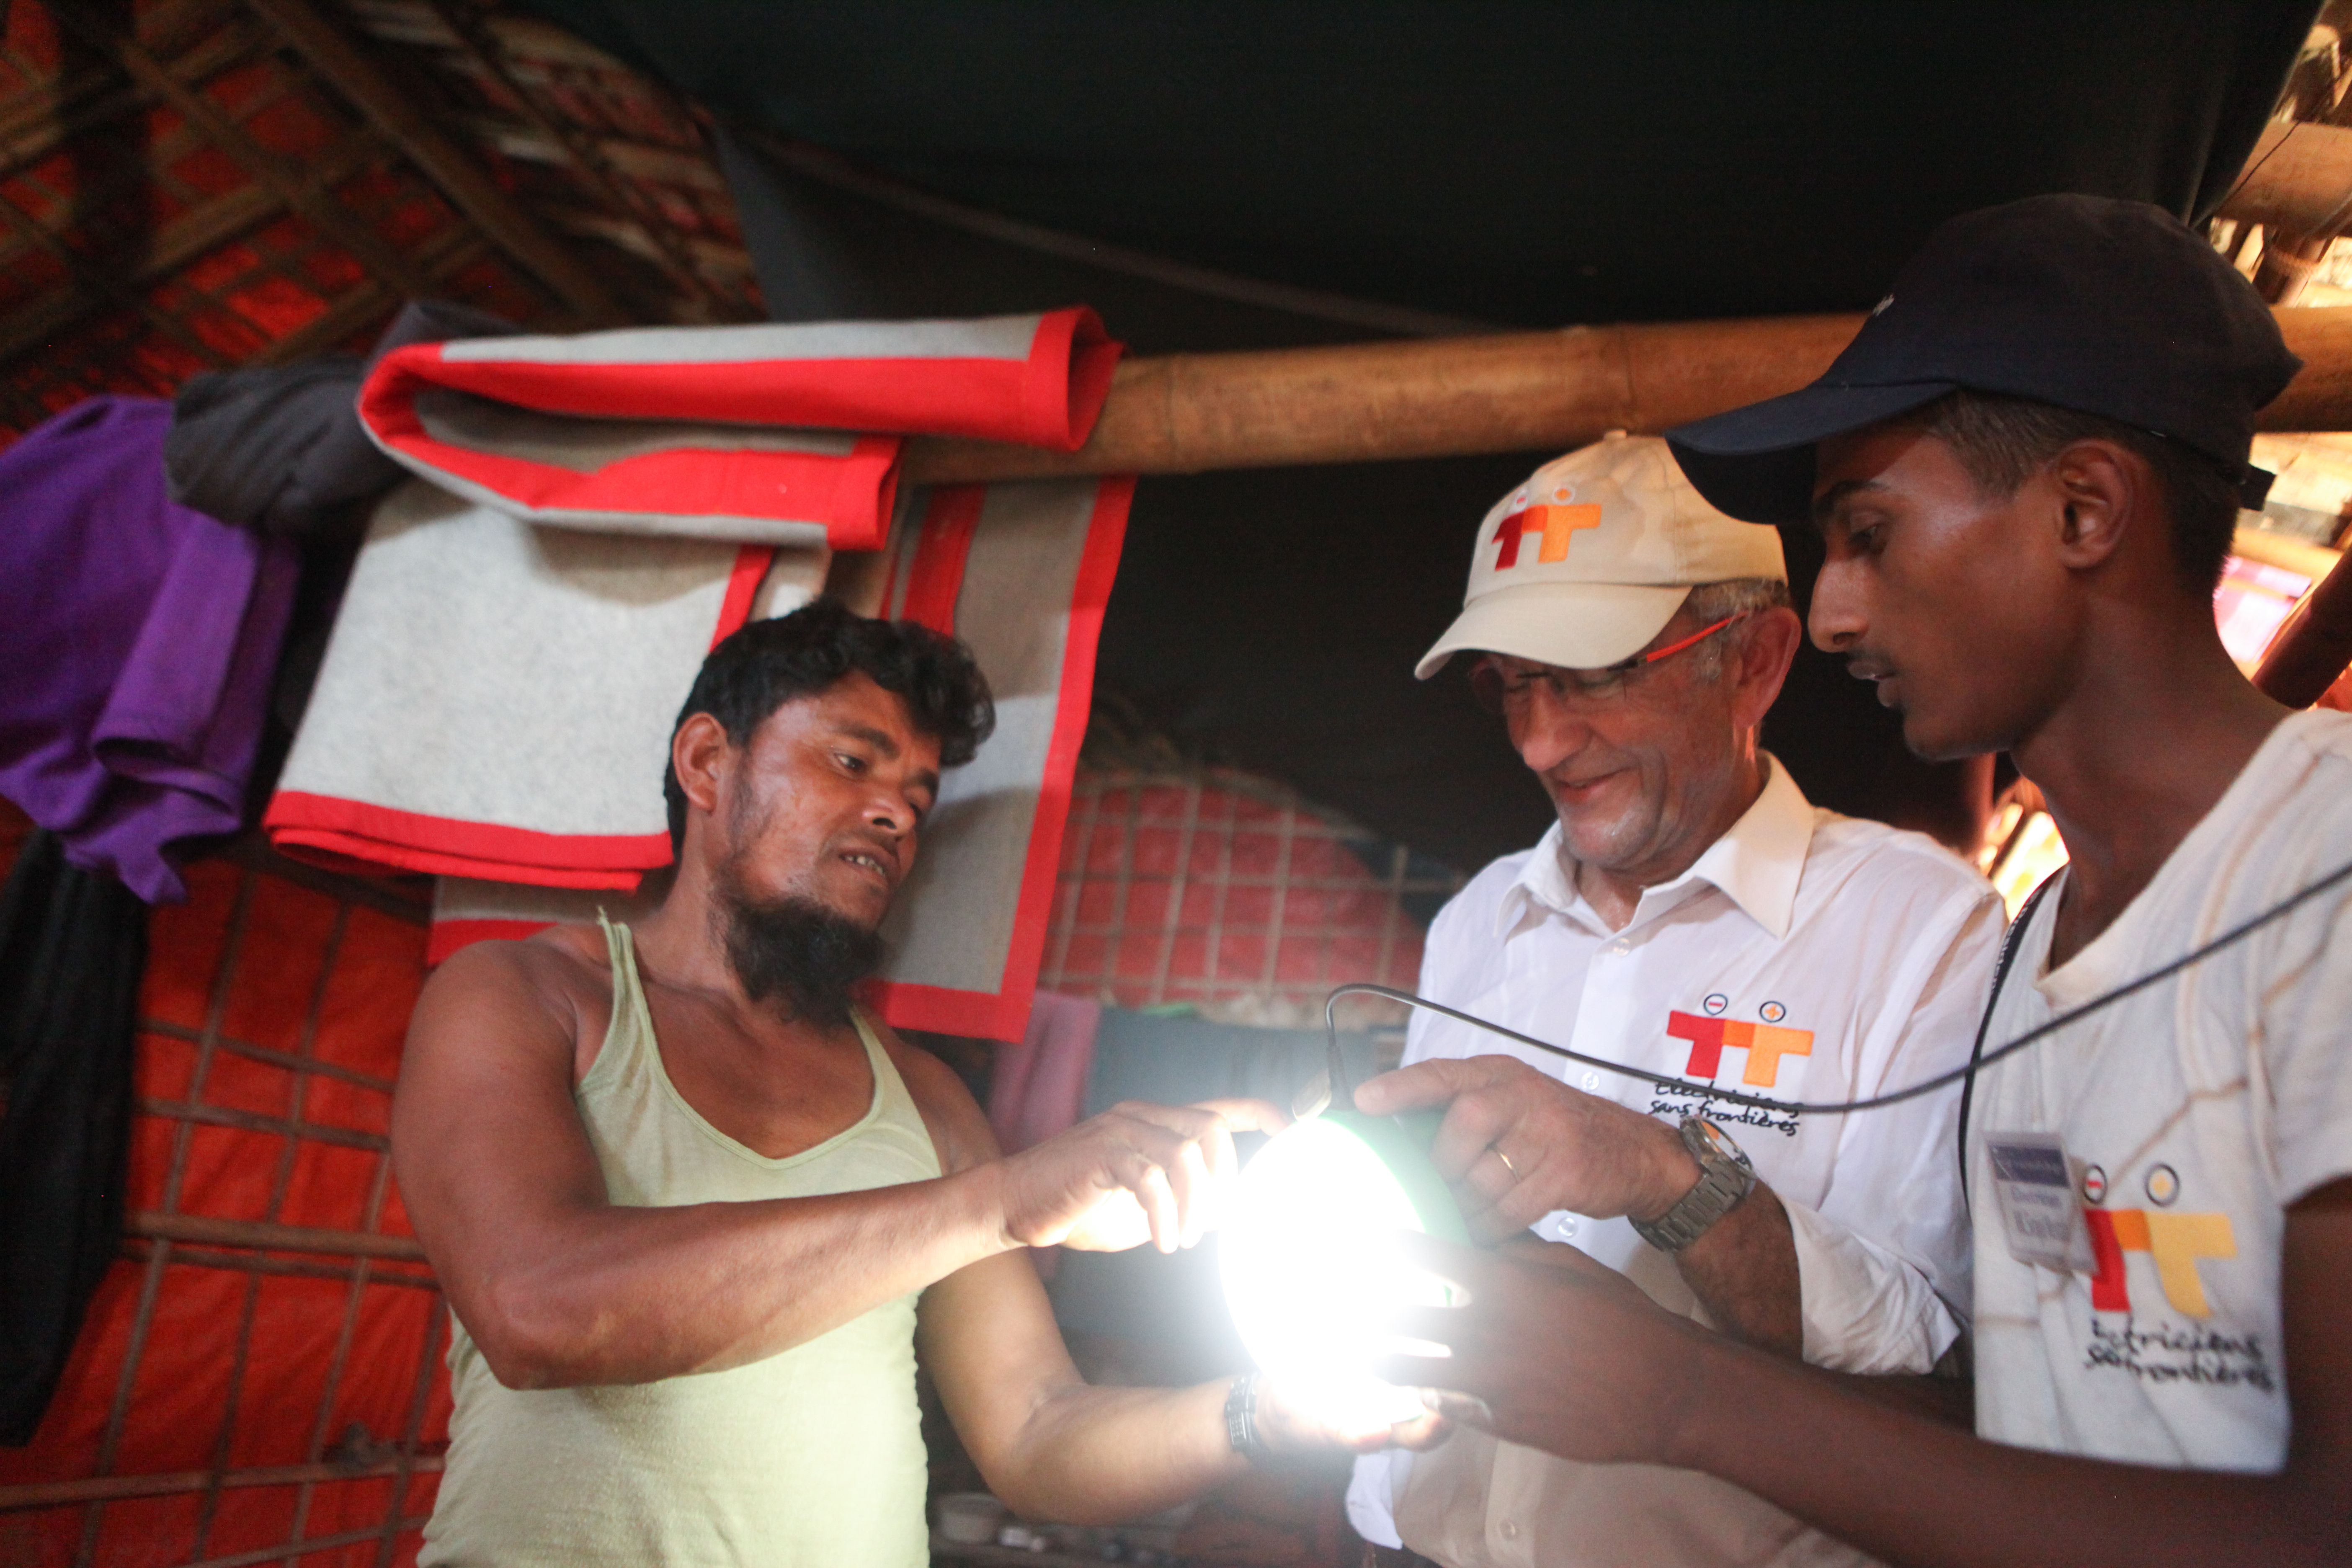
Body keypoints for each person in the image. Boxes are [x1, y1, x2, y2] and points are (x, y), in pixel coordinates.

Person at [1370, 195, 2352, 1566]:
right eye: (1510, 690)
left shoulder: (2318, 882)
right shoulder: (2043, 945)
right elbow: (2014, 1433)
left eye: (1869, 534)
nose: (1834, 610)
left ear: (2082, 509)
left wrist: (1673, 1383)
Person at [392, 599, 1406, 1568]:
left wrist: (1268, 1413)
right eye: (850, 762)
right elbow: (535, 1306)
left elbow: (1038, 1432)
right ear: (708, 762)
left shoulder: (920, 1099)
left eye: (918, 799)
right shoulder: (528, 997)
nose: (895, 815)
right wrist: (1004, 1202)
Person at [1345, 434, 2006, 1568]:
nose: (1545, 740)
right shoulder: (1481, 920)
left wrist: (1663, 1172)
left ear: (1755, 659)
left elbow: (1931, 1360)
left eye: (1598, 674)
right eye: (1514, 684)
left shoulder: (1918, 929)